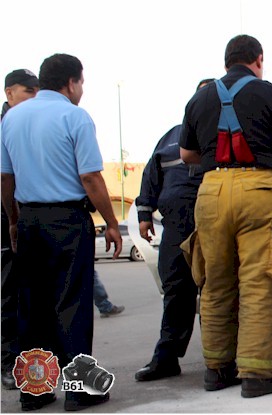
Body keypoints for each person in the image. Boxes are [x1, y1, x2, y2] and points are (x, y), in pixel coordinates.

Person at [179, 34, 272, 399]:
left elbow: (188, 154)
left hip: (213, 192)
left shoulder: (200, 97)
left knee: (215, 282)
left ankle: (216, 370)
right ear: (259, 59)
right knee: (259, 282)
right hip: (259, 191)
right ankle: (256, 374)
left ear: (226, 62)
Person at [0, 54, 121, 412]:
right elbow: (90, 177)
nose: (81, 90)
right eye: (81, 83)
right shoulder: (75, 116)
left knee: (33, 308)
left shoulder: (12, 118)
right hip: (68, 219)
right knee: (72, 304)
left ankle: (34, 391)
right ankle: (80, 391)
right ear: (70, 82)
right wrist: (112, 223)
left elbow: (5, 178)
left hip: (29, 219)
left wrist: (12, 219)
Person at [133, 78, 212, 382]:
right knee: (176, 292)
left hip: (212, 220)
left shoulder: (227, 134)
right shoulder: (171, 137)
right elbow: (151, 174)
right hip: (176, 226)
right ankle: (166, 359)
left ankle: (220, 361)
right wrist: (143, 212)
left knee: (217, 292)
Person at [1, 69, 39, 390]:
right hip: (6, 223)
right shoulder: (5, 126)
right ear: (9, 93)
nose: (34, 98)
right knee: (9, 294)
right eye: (28, 91)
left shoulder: (27, 125)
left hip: (25, 220)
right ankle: (7, 362)